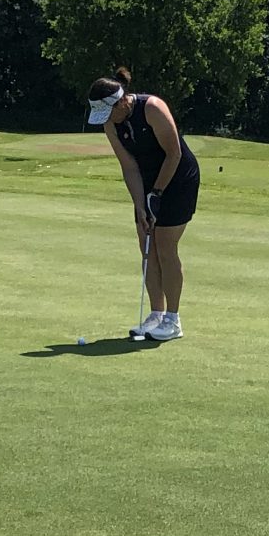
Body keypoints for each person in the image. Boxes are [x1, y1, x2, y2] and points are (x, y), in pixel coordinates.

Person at [85, 69, 200, 340]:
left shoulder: (152, 108)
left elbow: (174, 154)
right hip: (146, 181)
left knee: (165, 246)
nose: (107, 119)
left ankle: (173, 320)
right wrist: (140, 205)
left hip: (178, 178)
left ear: (122, 102)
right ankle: (156, 314)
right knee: (147, 246)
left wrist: (157, 193)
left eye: (108, 112)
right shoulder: (110, 124)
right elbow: (129, 167)